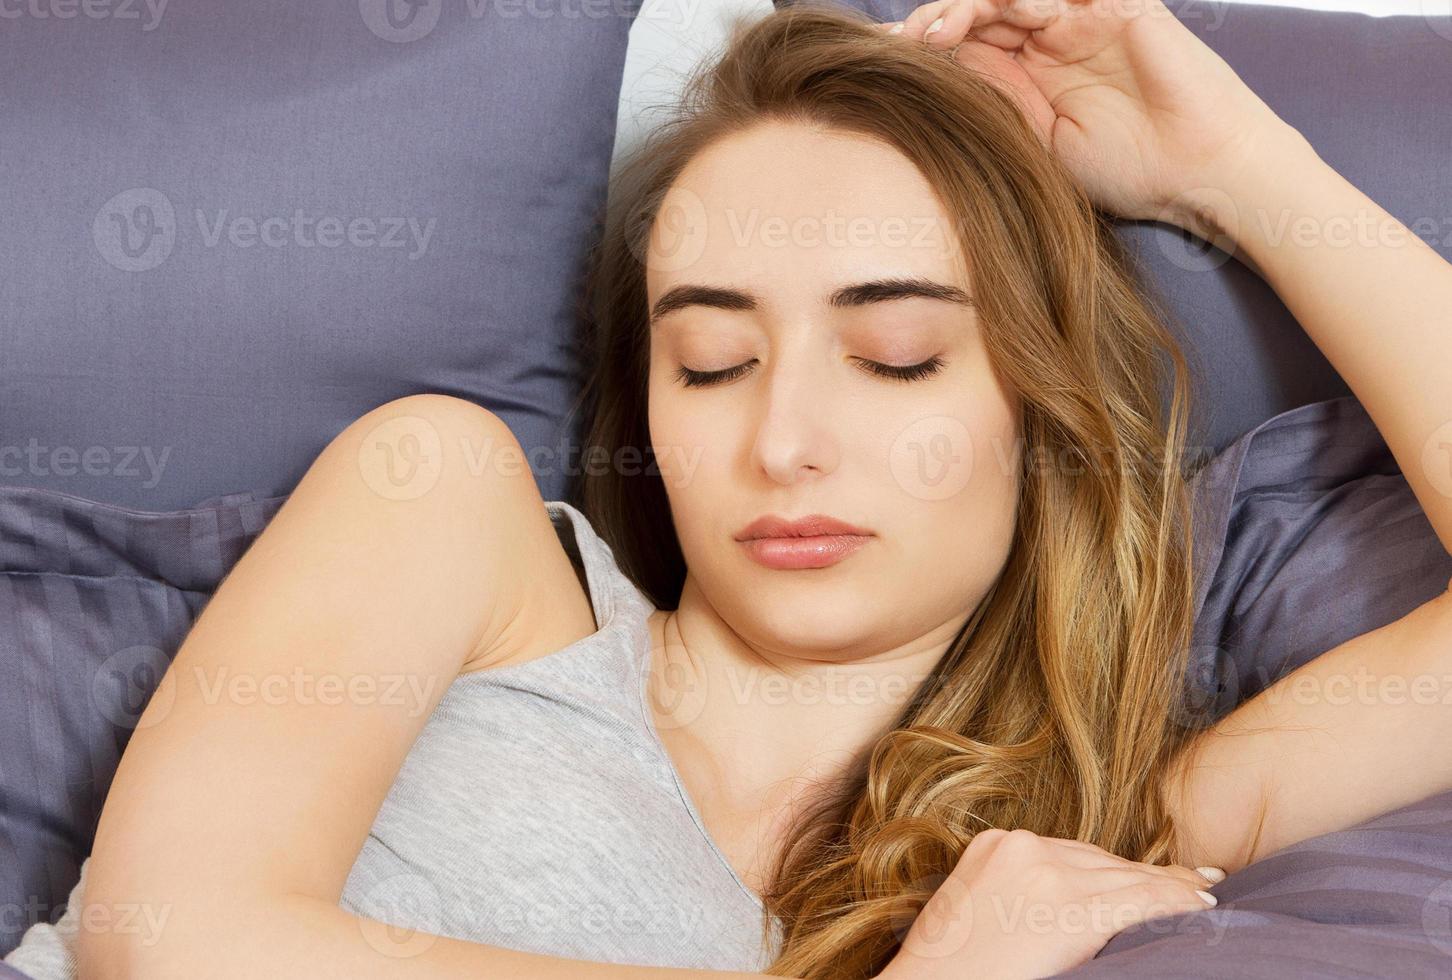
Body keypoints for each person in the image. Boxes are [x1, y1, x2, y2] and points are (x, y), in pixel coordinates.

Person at [34, 2, 1452, 979]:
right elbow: (169, 940)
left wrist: (1239, 172)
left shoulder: (1096, 826)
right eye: (712, 361)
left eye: (894, 358)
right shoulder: (449, 509)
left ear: (1040, 408)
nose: (785, 441)